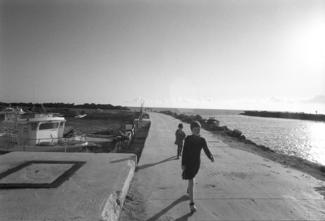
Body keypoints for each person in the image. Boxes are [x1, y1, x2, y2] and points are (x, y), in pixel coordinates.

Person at [181, 121, 214, 213]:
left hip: (196, 163)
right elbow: (184, 151)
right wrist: (183, 163)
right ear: (192, 130)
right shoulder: (188, 139)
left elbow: (206, 149)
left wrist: (210, 156)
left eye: (199, 129)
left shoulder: (202, 140)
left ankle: (189, 189)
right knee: (191, 181)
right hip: (188, 162)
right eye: (195, 129)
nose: (197, 131)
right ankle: (191, 204)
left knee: (192, 179)